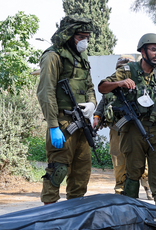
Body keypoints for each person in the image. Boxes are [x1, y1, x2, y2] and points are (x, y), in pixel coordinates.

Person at [98, 33, 156, 209]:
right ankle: (129, 209)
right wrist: (121, 82)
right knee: (133, 170)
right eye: (153, 49)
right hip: (132, 128)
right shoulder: (127, 70)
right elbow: (102, 86)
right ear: (143, 51)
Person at [36, 15, 97, 205]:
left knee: (81, 173)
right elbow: (45, 92)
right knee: (57, 170)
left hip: (82, 124)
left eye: (87, 37)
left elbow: (89, 86)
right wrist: (53, 125)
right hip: (62, 124)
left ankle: (74, 216)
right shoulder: (52, 56)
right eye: (81, 37)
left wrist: (92, 105)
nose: (85, 41)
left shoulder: (82, 57)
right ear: (69, 34)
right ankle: (48, 214)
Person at [93, 55, 152, 200]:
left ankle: (147, 186)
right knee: (118, 158)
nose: (123, 72)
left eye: (125, 69)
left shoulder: (137, 86)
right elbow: (103, 102)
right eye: (120, 69)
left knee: (140, 160)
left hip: (133, 128)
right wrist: (97, 118)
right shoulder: (113, 86)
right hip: (116, 129)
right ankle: (120, 187)